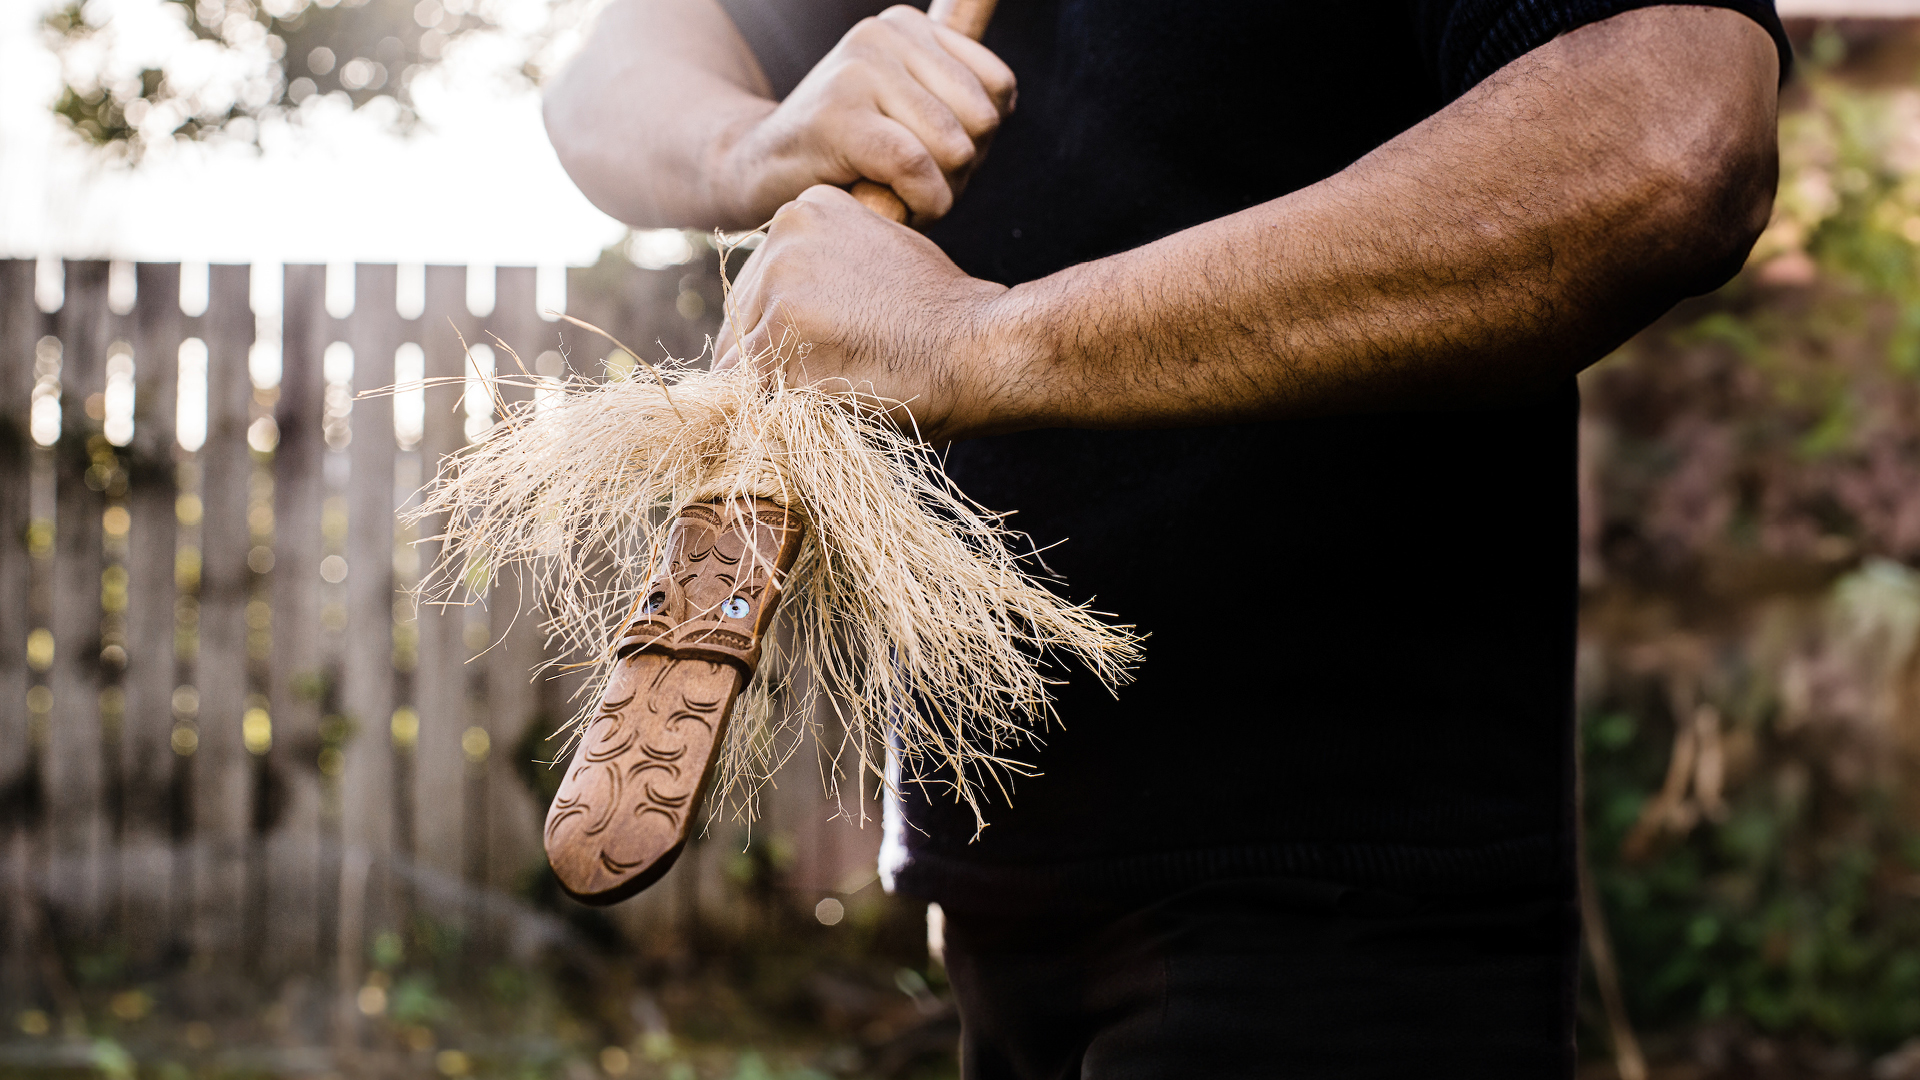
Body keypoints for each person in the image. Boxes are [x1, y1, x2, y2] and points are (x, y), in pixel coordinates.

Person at [545, 0, 1788, 1074]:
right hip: (985, 900)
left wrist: (981, 340)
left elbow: (1666, 136)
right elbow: (605, 75)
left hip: (1338, 921)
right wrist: (759, 139)